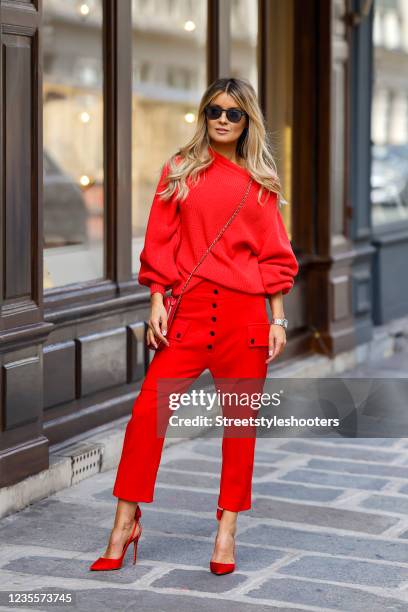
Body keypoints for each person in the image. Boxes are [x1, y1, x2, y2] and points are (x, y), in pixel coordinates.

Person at [90, 77, 299, 575]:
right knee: (147, 415)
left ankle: (226, 531)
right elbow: (160, 241)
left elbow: (274, 258)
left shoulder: (261, 180)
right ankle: (124, 522)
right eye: (214, 111)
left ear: (248, 120)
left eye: (233, 113)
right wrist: (156, 300)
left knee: (240, 428)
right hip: (187, 312)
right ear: (203, 115)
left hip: (245, 318)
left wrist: (278, 320)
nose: (222, 120)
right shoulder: (180, 169)